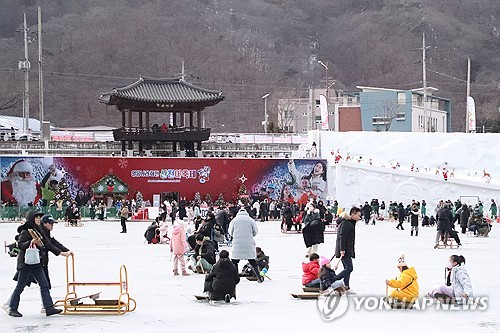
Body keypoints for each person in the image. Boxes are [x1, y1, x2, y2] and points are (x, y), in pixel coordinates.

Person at [7, 211, 69, 317]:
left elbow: (48, 244)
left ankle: (48, 307)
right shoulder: (26, 231)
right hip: (26, 264)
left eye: (39, 217)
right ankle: (12, 308)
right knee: (20, 286)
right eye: (37, 217)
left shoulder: (38, 230)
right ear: (31, 218)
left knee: (44, 284)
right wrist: (31, 243)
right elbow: (20, 245)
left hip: (37, 262)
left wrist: (61, 252)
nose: (39, 219)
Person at [228, 207, 263, 282]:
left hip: (237, 243)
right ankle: (259, 277)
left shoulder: (234, 220)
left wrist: (236, 236)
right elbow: (255, 231)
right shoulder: (251, 220)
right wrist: (249, 235)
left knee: (235, 261)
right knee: (252, 261)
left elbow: (230, 232)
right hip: (249, 243)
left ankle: (235, 278)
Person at [40, 215, 72, 290]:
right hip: (37, 261)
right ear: (45, 224)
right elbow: (49, 245)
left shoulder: (47, 232)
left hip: (43, 261)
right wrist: (61, 253)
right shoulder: (41, 232)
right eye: (51, 224)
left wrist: (67, 250)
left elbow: (55, 242)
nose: (52, 226)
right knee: (45, 285)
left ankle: (47, 301)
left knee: (45, 285)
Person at [334, 206, 361, 291]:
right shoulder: (346, 223)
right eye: (358, 215)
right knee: (349, 268)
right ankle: (334, 279)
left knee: (347, 268)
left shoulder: (350, 223)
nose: (359, 217)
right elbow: (342, 237)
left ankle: (346, 285)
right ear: (353, 215)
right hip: (345, 250)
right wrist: (342, 249)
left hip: (347, 249)